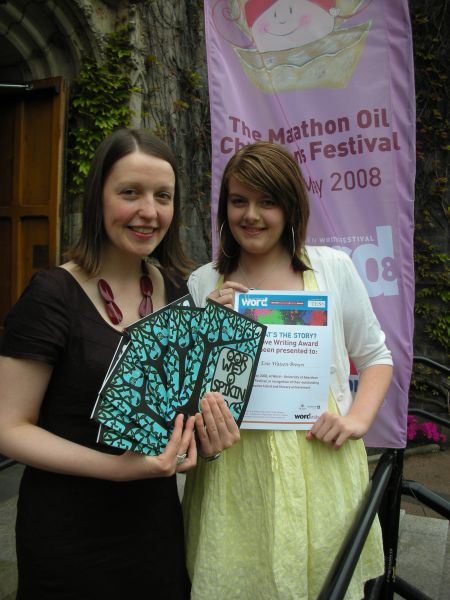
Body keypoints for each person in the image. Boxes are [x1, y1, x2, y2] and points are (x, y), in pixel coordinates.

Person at [0, 128, 239, 600]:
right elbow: (9, 427)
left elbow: (171, 417)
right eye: (130, 192)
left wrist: (203, 442)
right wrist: (116, 469)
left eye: (162, 196)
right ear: (98, 199)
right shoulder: (52, 295)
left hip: (154, 528)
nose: (149, 211)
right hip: (68, 535)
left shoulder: (176, 290)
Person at [182, 141, 393, 600]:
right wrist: (211, 329)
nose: (251, 215)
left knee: (322, 581)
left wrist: (357, 420)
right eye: (239, 201)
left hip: (319, 461)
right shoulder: (203, 282)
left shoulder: (332, 268)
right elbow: (189, 387)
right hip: (234, 472)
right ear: (224, 207)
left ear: (290, 207)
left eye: (267, 201)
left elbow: (376, 357)